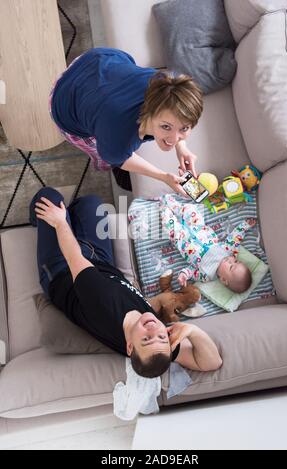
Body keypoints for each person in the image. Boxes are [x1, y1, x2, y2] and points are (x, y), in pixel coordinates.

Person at [29, 187, 222, 378]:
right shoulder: (154, 349)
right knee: (92, 203)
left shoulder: (103, 302)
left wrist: (60, 222)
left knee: (49, 199)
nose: (154, 328)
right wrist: (192, 331)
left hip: (62, 269)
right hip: (102, 265)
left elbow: (73, 256)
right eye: (162, 337)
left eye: (146, 338)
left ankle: (38, 219)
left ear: (129, 346)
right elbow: (212, 362)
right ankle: (71, 214)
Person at [49, 47, 203, 192]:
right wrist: (163, 177)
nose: (174, 138)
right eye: (166, 127)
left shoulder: (164, 84)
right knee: (105, 155)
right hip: (64, 101)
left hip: (99, 59)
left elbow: (177, 118)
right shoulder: (119, 137)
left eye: (183, 128)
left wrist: (181, 147)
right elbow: (118, 158)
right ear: (149, 111)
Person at [160, 195, 257, 293]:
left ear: (223, 280)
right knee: (191, 210)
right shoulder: (229, 251)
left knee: (168, 225)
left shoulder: (207, 275)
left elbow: (192, 271)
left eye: (231, 267)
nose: (231, 261)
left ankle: (163, 206)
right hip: (198, 226)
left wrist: (184, 275)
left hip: (181, 238)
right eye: (236, 262)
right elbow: (235, 238)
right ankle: (172, 203)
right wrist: (245, 226)